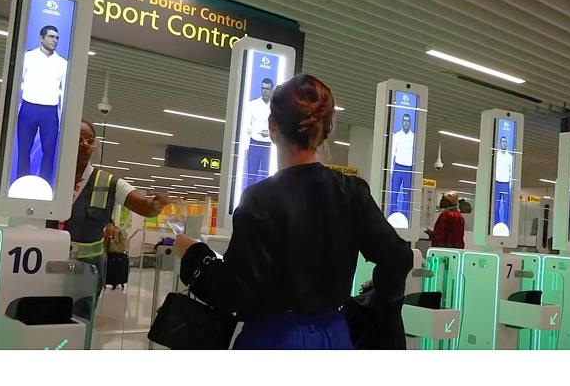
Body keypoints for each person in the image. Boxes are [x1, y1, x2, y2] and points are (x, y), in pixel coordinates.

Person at [175, 74, 413, 349]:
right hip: (334, 336)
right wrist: (371, 303)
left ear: (272, 125)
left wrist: (194, 254)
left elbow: (237, 294)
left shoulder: (260, 200)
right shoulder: (351, 192)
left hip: (273, 338)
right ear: (325, 129)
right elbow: (398, 257)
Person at [47, 120, 172, 302]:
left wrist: (154, 206)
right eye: (79, 139)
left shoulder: (109, 182)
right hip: (47, 260)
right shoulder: (46, 177)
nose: (85, 145)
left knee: (79, 315)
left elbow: (144, 206)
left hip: (87, 268)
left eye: (90, 141)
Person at [17, 25, 68, 186]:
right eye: (51, 37)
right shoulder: (28, 57)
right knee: (24, 149)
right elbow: (18, 82)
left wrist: (63, 113)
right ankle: (21, 183)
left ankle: (45, 184)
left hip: (50, 110)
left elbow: (64, 91)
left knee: (49, 151)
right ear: (41, 38)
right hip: (28, 107)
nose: (54, 40)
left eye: (57, 37)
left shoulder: (63, 63)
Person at [244, 77, 274, 188]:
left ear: (271, 90)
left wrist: (269, 133)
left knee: (266, 177)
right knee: (251, 176)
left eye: (267, 89)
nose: (265, 91)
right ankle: (249, 197)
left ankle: (265, 197)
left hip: (269, 145)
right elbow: (247, 127)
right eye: (263, 88)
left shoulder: (276, 107)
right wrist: (246, 147)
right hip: (254, 143)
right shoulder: (252, 104)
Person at [389, 113, 415, 220]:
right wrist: (391, 169)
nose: (406, 123)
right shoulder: (397, 136)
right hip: (398, 167)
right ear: (402, 122)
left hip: (408, 168)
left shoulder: (413, 137)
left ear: (410, 123)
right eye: (404, 120)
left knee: (407, 194)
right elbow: (392, 153)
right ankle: (392, 213)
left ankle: (405, 216)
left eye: (408, 121)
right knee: (394, 192)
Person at [494, 136, 513, 232]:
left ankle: (506, 225)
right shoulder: (496, 155)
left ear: (507, 143)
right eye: (502, 141)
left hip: (506, 182)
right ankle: (496, 224)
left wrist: (511, 184)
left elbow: (511, 171)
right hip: (497, 182)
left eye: (505, 141)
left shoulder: (510, 157)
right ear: (500, 143)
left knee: (506, 206)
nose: (504, 143)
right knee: (496, 206)